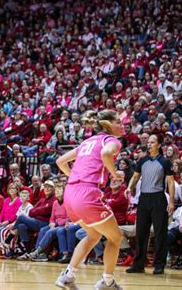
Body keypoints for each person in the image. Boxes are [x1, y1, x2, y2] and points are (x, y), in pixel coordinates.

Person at [55, 110, 124, 290]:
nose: (122, 125)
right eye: (118, 122)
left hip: (70, 193)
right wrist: (115, 174)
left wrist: (75, 178)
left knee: (93, 235)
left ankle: (68, 276)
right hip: (87, 194)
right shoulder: (111, 141)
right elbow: (106, 155)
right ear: (107, 124)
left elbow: (60, 161)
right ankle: (107, 282)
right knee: (116, 238)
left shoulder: (87, 142)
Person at [125, 134, 175, 275]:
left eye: (153, 142)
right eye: (148, 142)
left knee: (160, 233)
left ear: (159, 145)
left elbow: (170, 182)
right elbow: (135, 177)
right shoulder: (142, 161)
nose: (149, 144)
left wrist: (171, 201)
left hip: (158, 198)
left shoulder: (165, 161)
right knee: (141, 233)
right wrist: (129, 187)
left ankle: (159, 265)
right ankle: (138, 265)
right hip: (144, 199)